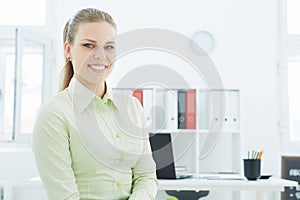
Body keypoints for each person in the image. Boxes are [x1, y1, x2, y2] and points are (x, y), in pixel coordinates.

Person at [32, 8, 158, 200]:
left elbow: (146, 176)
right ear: (68, 50)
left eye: (109, 46)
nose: (100, 55)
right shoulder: (54, 114)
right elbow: (64, 196)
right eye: (89, 45)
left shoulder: (132, 107)